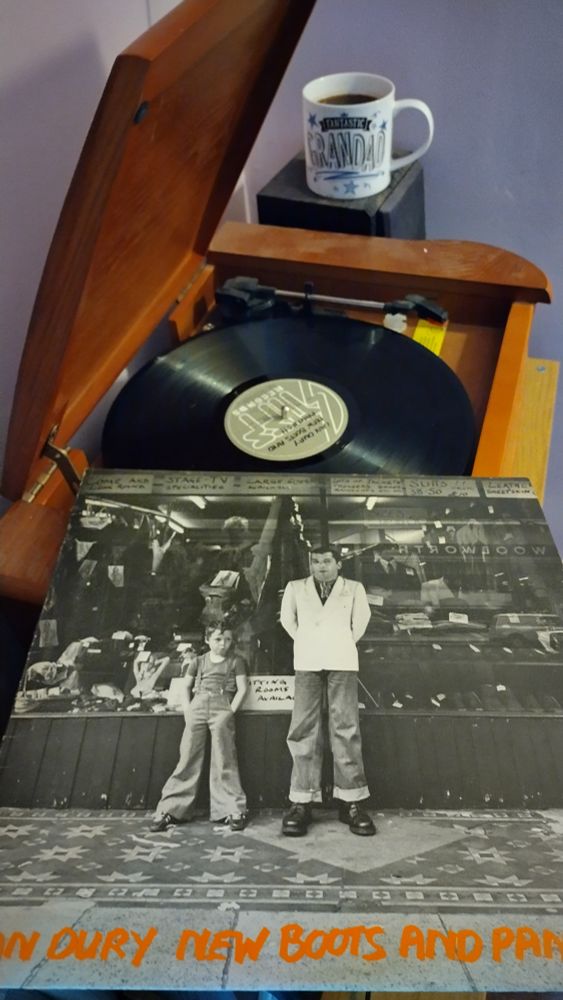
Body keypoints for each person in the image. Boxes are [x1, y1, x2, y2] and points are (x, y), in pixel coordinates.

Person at [280, 546, 375, 837]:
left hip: (342, 659)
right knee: (303, 727)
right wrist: (309, 641)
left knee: (345, 726)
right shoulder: (295, 588)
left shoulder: (354, 589)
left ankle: (352, 801)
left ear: (338, 563)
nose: (321, 566)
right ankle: (302, 801)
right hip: (307, 660)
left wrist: (339, 641)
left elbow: (360, 623)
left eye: (326, 561)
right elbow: (288, 621)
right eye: (316, 561)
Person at [150, 624, 248, 832]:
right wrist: (188, 710)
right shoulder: (197, 661)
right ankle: (171, 809)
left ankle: (232, 809)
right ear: (207, 640)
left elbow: (243, 688)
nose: (223, 644)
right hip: (197, 707)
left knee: (224, 757)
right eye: (218, 639)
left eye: (228, 640)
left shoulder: (236, 661)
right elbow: (186, 687)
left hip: (223, 707)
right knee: (187, 756)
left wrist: (230, 711)